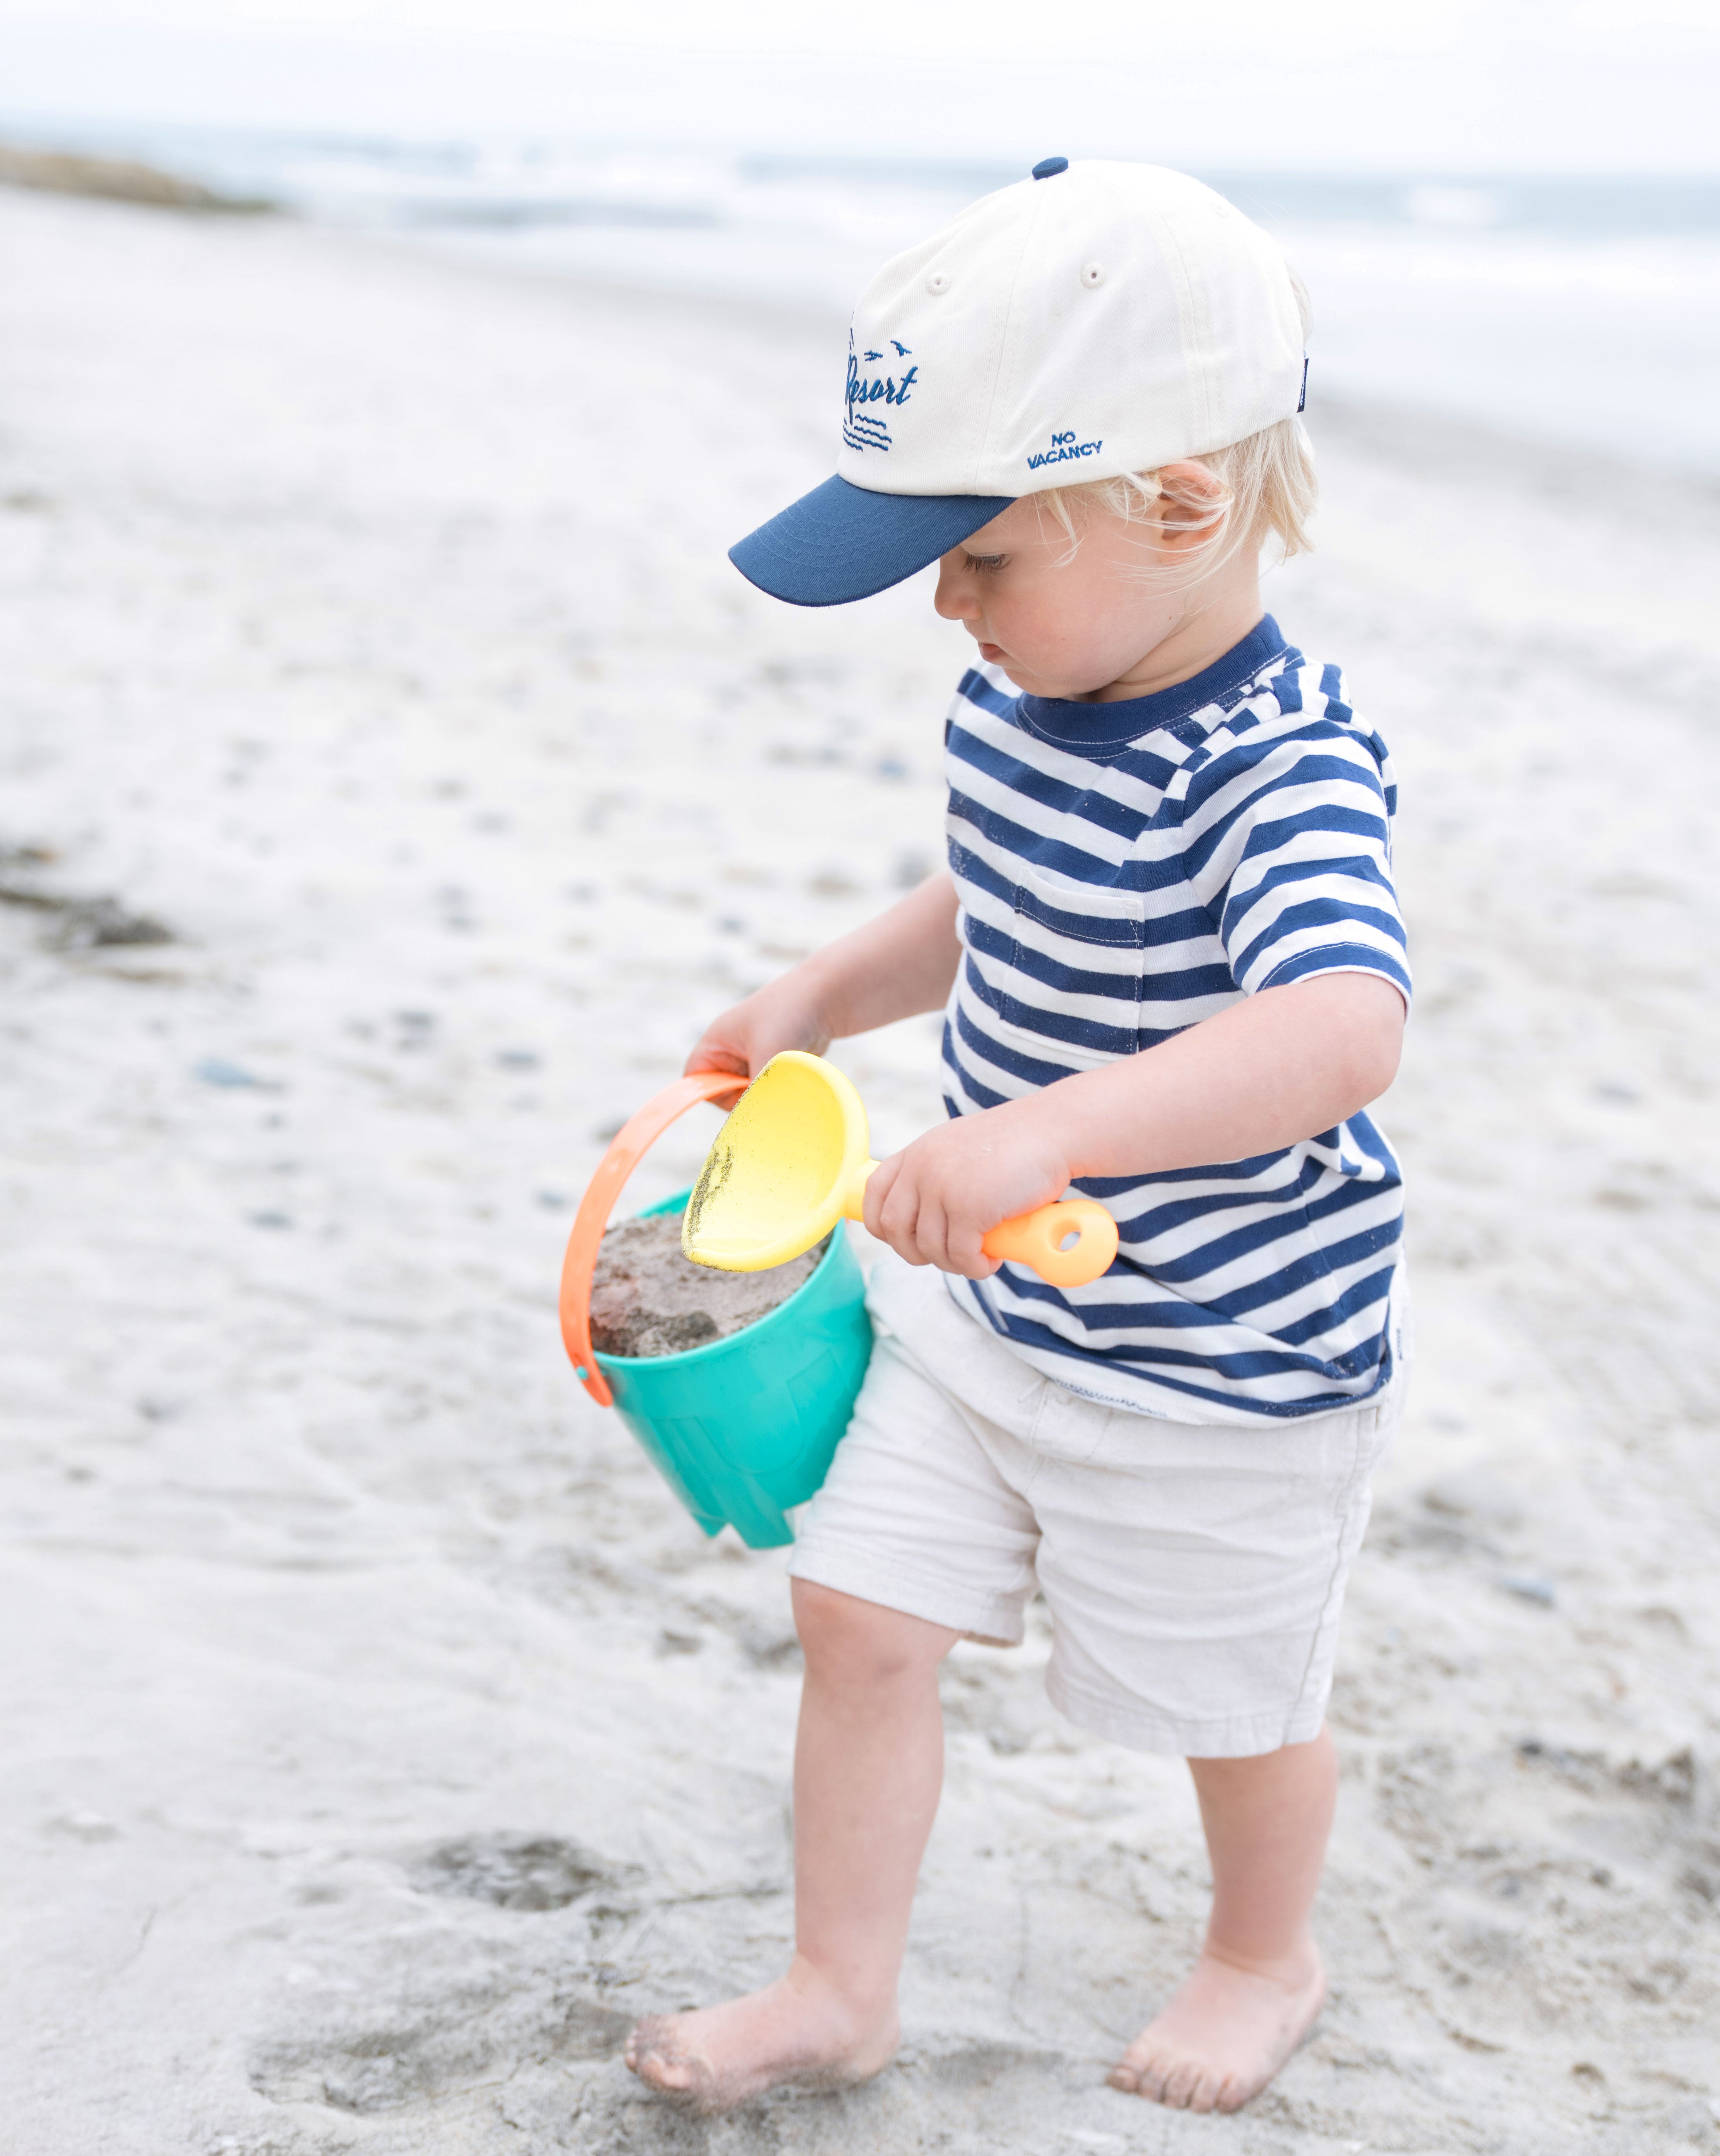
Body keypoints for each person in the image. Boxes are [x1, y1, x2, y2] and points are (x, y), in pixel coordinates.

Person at [625, 158, 1412, 2118]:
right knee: (854, 1611)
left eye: (975, 558)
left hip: (1227, 1364)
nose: (944, 609)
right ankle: (836, 1981)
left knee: (1233, 1711)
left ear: (1174, 501)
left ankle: (1259, 1951)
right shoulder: (1025, 701)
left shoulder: (1278, 764)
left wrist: (1045, 1132)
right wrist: (816, 990)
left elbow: (1338, 1029)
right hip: (993, 1325)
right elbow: (985, 895)